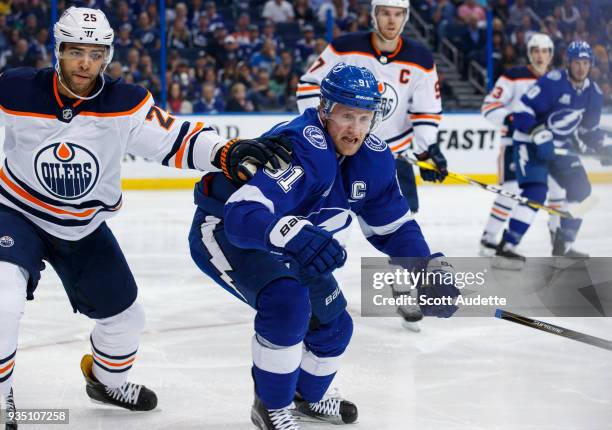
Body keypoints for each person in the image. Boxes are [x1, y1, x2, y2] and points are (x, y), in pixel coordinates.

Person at [0, 6, 291, 422]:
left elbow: (175, 139)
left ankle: (106, 381)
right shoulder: (15, 89)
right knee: (3, 297)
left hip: (84, 226)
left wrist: (224, 152)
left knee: (125, 320)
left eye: (96, 53)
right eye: (76, 51)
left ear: (108, 56)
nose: (86, 62)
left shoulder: (126, 102)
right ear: (58, 50)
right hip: (16, 212)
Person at [188, 63, 460, 430]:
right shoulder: (300, 146)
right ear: (324, 109)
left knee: (333, 325)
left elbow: (394, 227)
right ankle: (272, 405)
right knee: (288, 303)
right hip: (225, 232)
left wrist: (425, 268)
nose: (356, 129)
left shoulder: (375, 159)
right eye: (347, 116)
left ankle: (306, 396)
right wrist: (293, 234)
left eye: (365, 118)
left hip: (291, 242)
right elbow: (242, 215)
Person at [296, 0, 448, 329]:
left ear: (405, 17)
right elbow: (309, 86)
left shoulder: (420, 58)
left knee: (401, 221)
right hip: (334, 154)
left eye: (398, 14)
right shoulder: (345, 47)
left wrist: (427, 148)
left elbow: (425, 111)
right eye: (385, 13)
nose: (391, 20)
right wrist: (321, 137)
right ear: (374, 14)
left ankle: (405, 287)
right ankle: (309, 291)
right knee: (328, 226)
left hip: (389, 157)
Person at [494, 41, 612, 267]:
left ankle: (563, 245)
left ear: (591, 65)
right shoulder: (552, 83)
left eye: (586, 63)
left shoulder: (594, 94)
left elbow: (587, 133)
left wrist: (602, 147)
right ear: (568, 62)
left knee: (581, 190)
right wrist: (538, 133)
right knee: (536, 192)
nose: (581, 67)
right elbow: (522, 112)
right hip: (529, 142)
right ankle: (506, 247)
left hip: (559, 146)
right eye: (577, 62)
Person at [479, 33, 566, 256]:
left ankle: (558, 238)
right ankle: (489, 238)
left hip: (547, 147)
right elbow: (489, 107)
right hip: (515, 143)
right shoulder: (514, 76)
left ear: (551, 54)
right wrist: (512, 120)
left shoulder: (558, 81)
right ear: (529, 53)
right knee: (510, 190)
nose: (540, 55)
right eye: (535, 50)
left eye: (545, 51)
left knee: (558, 191)